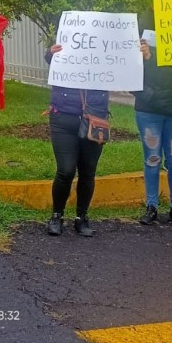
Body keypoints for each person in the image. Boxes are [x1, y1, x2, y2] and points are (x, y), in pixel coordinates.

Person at [44, 44, 109, 237]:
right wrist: (50, 54)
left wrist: (139, 57)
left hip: (94, 120)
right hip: (64, 117)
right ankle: (57, 215)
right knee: (66, 170)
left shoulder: (107, 54)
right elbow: (52, 61)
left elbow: (125, 70)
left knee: (88, 172)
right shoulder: (66, 48)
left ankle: (82, 217)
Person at [133, 12, 172, 226]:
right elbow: (128, 77)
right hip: (149, 111)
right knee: (152, 159)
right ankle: (151, 206)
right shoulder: (141, 41)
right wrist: (144, 59)